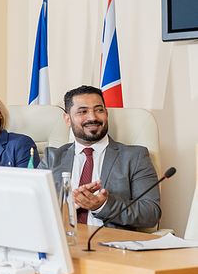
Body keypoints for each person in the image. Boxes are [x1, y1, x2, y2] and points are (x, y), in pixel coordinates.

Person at [38, 85, 161, 230]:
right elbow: (33, 207)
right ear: (68, 119)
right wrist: (72, 203)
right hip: (63, 243)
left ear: (106, 113)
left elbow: (150, 213)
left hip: (110, 246)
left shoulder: (135, 157)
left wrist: (102, 205)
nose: (92, 117)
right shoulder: (52, 158)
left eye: (99, 110)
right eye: (82, 111)